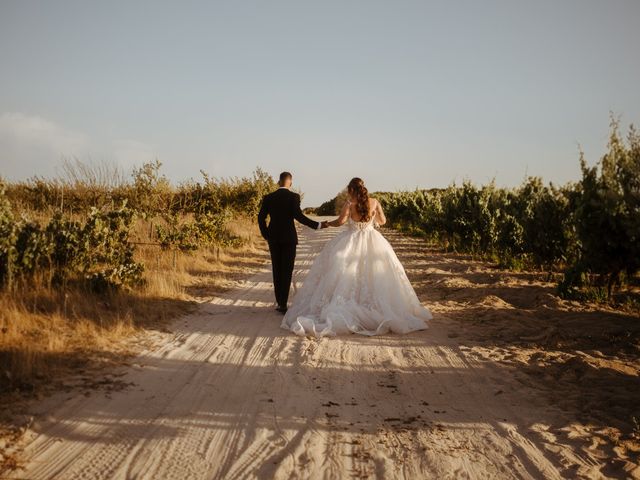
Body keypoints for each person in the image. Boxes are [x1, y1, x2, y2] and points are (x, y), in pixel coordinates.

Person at [281, 177, 432, 336]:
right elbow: (383, 220)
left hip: (351, 240)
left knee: (345, 273)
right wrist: (373, 222)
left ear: (352, 190)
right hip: (373, 239)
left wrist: (327, 224)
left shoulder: (349, 204)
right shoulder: (375, 202)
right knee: (375, 273)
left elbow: (340, 221)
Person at [258, 171, 329, 313]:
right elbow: (299, 217)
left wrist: (267, 235)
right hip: (289, 238)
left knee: (277, 269)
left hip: (274, 238)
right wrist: (318, 225)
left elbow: (261, 218)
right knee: (287, 269)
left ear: (279, 182)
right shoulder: (294, 197)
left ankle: (280, 302)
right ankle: (283, 303)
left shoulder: (269, 197)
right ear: (290, 182)